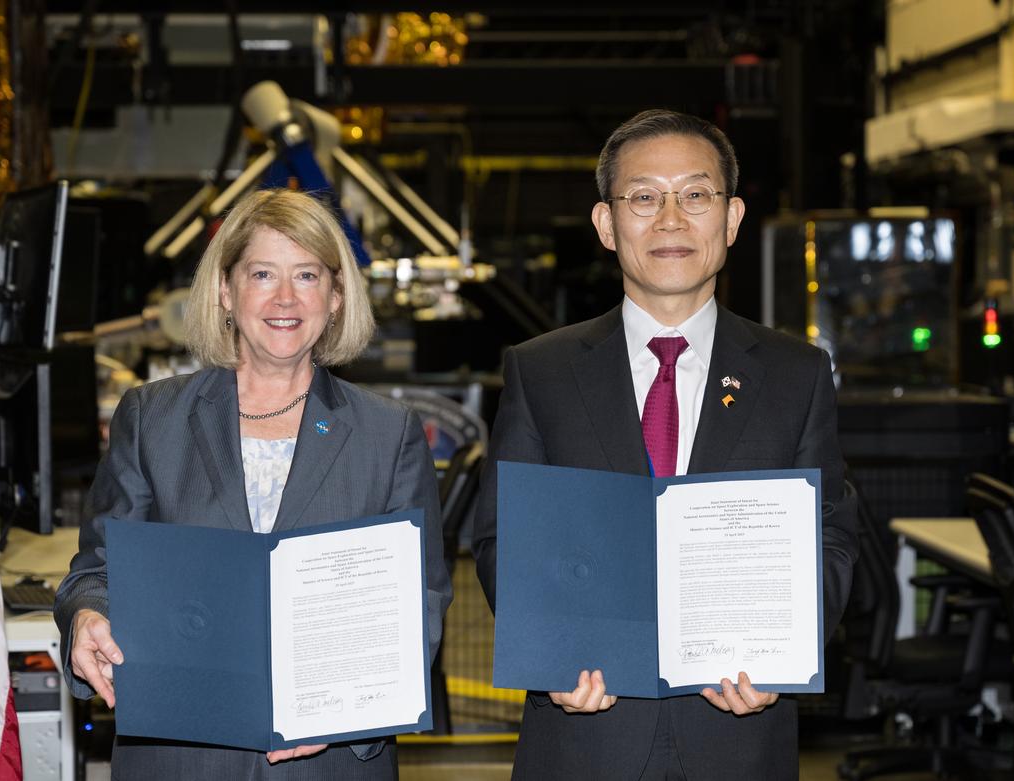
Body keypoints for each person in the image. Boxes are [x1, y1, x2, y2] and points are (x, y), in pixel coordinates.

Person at [471, 110, 859, 779]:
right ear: (606, 223)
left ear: (731, 218)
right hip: (582, 737)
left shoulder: (796, 374)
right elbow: (501, 537)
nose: (671, 219)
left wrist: (785, 656)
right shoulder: (541, 370)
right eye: (644, 197)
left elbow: (832, 536)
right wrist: (553, 653)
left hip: (740, 738)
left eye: (696, 195)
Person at [53, 188, 452, 780]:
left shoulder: (387, 433)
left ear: (337, 296)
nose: (286, 298)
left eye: (308, 276)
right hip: (182, 754)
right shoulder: (150, 419)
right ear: (225, 289)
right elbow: (97, 572)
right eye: (262, 273)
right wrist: (88, 615)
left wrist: (343, 718)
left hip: (330, 762)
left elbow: (420, 604)